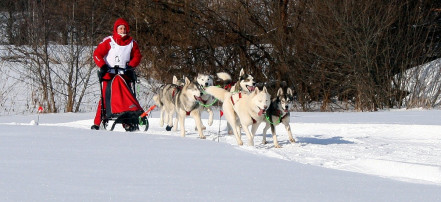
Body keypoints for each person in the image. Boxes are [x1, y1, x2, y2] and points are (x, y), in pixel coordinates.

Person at [91, 18, 142, 130]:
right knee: (105, 97)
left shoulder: (132, 43)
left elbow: (137, 56)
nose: (122, 30)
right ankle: (97, 122)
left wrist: (131, 66)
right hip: (109, 74)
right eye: (120, 28)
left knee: (126, 97)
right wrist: (103, 66)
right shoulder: (109, 41)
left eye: (124, 28)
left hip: (125, 74)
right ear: (116, 29)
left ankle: (127, 122)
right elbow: (97, 54)